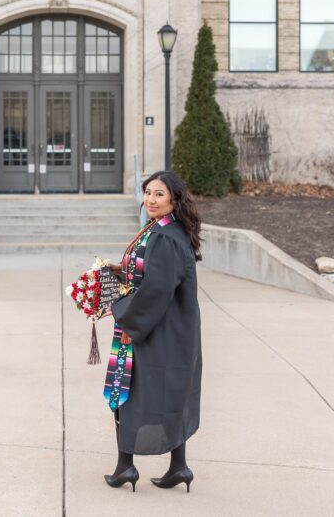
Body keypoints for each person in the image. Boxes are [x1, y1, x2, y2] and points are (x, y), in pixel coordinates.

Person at [101, 170, 203, 493]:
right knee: (170, 394)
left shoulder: (166, 236)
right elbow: (153, 275)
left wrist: (125, 315)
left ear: (174, 199)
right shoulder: (161, 230)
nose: (150, 200)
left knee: (128, 392)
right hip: (165, 329)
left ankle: (126, 466)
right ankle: (178, 466)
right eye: (147, 193)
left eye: (158, 194)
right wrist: (123, 270)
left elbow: (157, 290)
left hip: (157, 330)